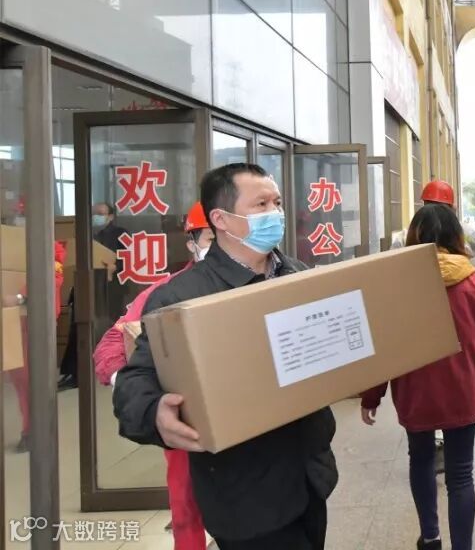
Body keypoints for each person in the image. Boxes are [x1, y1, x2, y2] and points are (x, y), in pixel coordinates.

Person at [113, 164, 337, 550]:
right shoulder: (182, 296)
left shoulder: (297, 275)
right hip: (244, 493)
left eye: (277, 203)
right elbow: (136, 379)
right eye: (261, 205)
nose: (275, 213)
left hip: (310, 475)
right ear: (221, 219)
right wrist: (153, 411)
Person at [361, 203, 475, 550]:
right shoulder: (473, 282)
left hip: (416, 394)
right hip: (462, 392)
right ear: (456, 236)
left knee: (421, 460)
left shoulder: (397, 287)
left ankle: (430, 537)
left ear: (414, 239)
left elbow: (382, 345)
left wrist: (372, 396)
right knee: (461, 475)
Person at [94, 202, 213, 550]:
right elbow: (111, 345)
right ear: (191, 243)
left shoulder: (264, 284)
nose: (220, 247)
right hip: (188, 426)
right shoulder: (167, 292)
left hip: (257, 429)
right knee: (187, 513)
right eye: (210, 239)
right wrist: (140, 391)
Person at [2, 240, 66, 453]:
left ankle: (32, 431)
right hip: (12, 323)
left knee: (31, 380)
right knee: (20, 380)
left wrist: (20, 297)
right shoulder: (13, 241)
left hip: (33, 326)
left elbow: (53, 280)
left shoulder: (48, 245)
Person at [58, 202, 128, 391]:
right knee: (79, 330)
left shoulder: (121, 234)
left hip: (110, 290)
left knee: (110, 330)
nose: (96, 216)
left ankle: (111, 369)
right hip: (87, 287)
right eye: (95, 213)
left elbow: (129, 259)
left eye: (101, 213)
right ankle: (74, 373)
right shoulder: (87, 234)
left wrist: (115, 266)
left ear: (111, 216)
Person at [390, 180, 475, 258]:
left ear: (424, 204)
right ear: (451, 206)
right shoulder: (466, 230)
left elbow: (393, 259)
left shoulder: (406, 234)